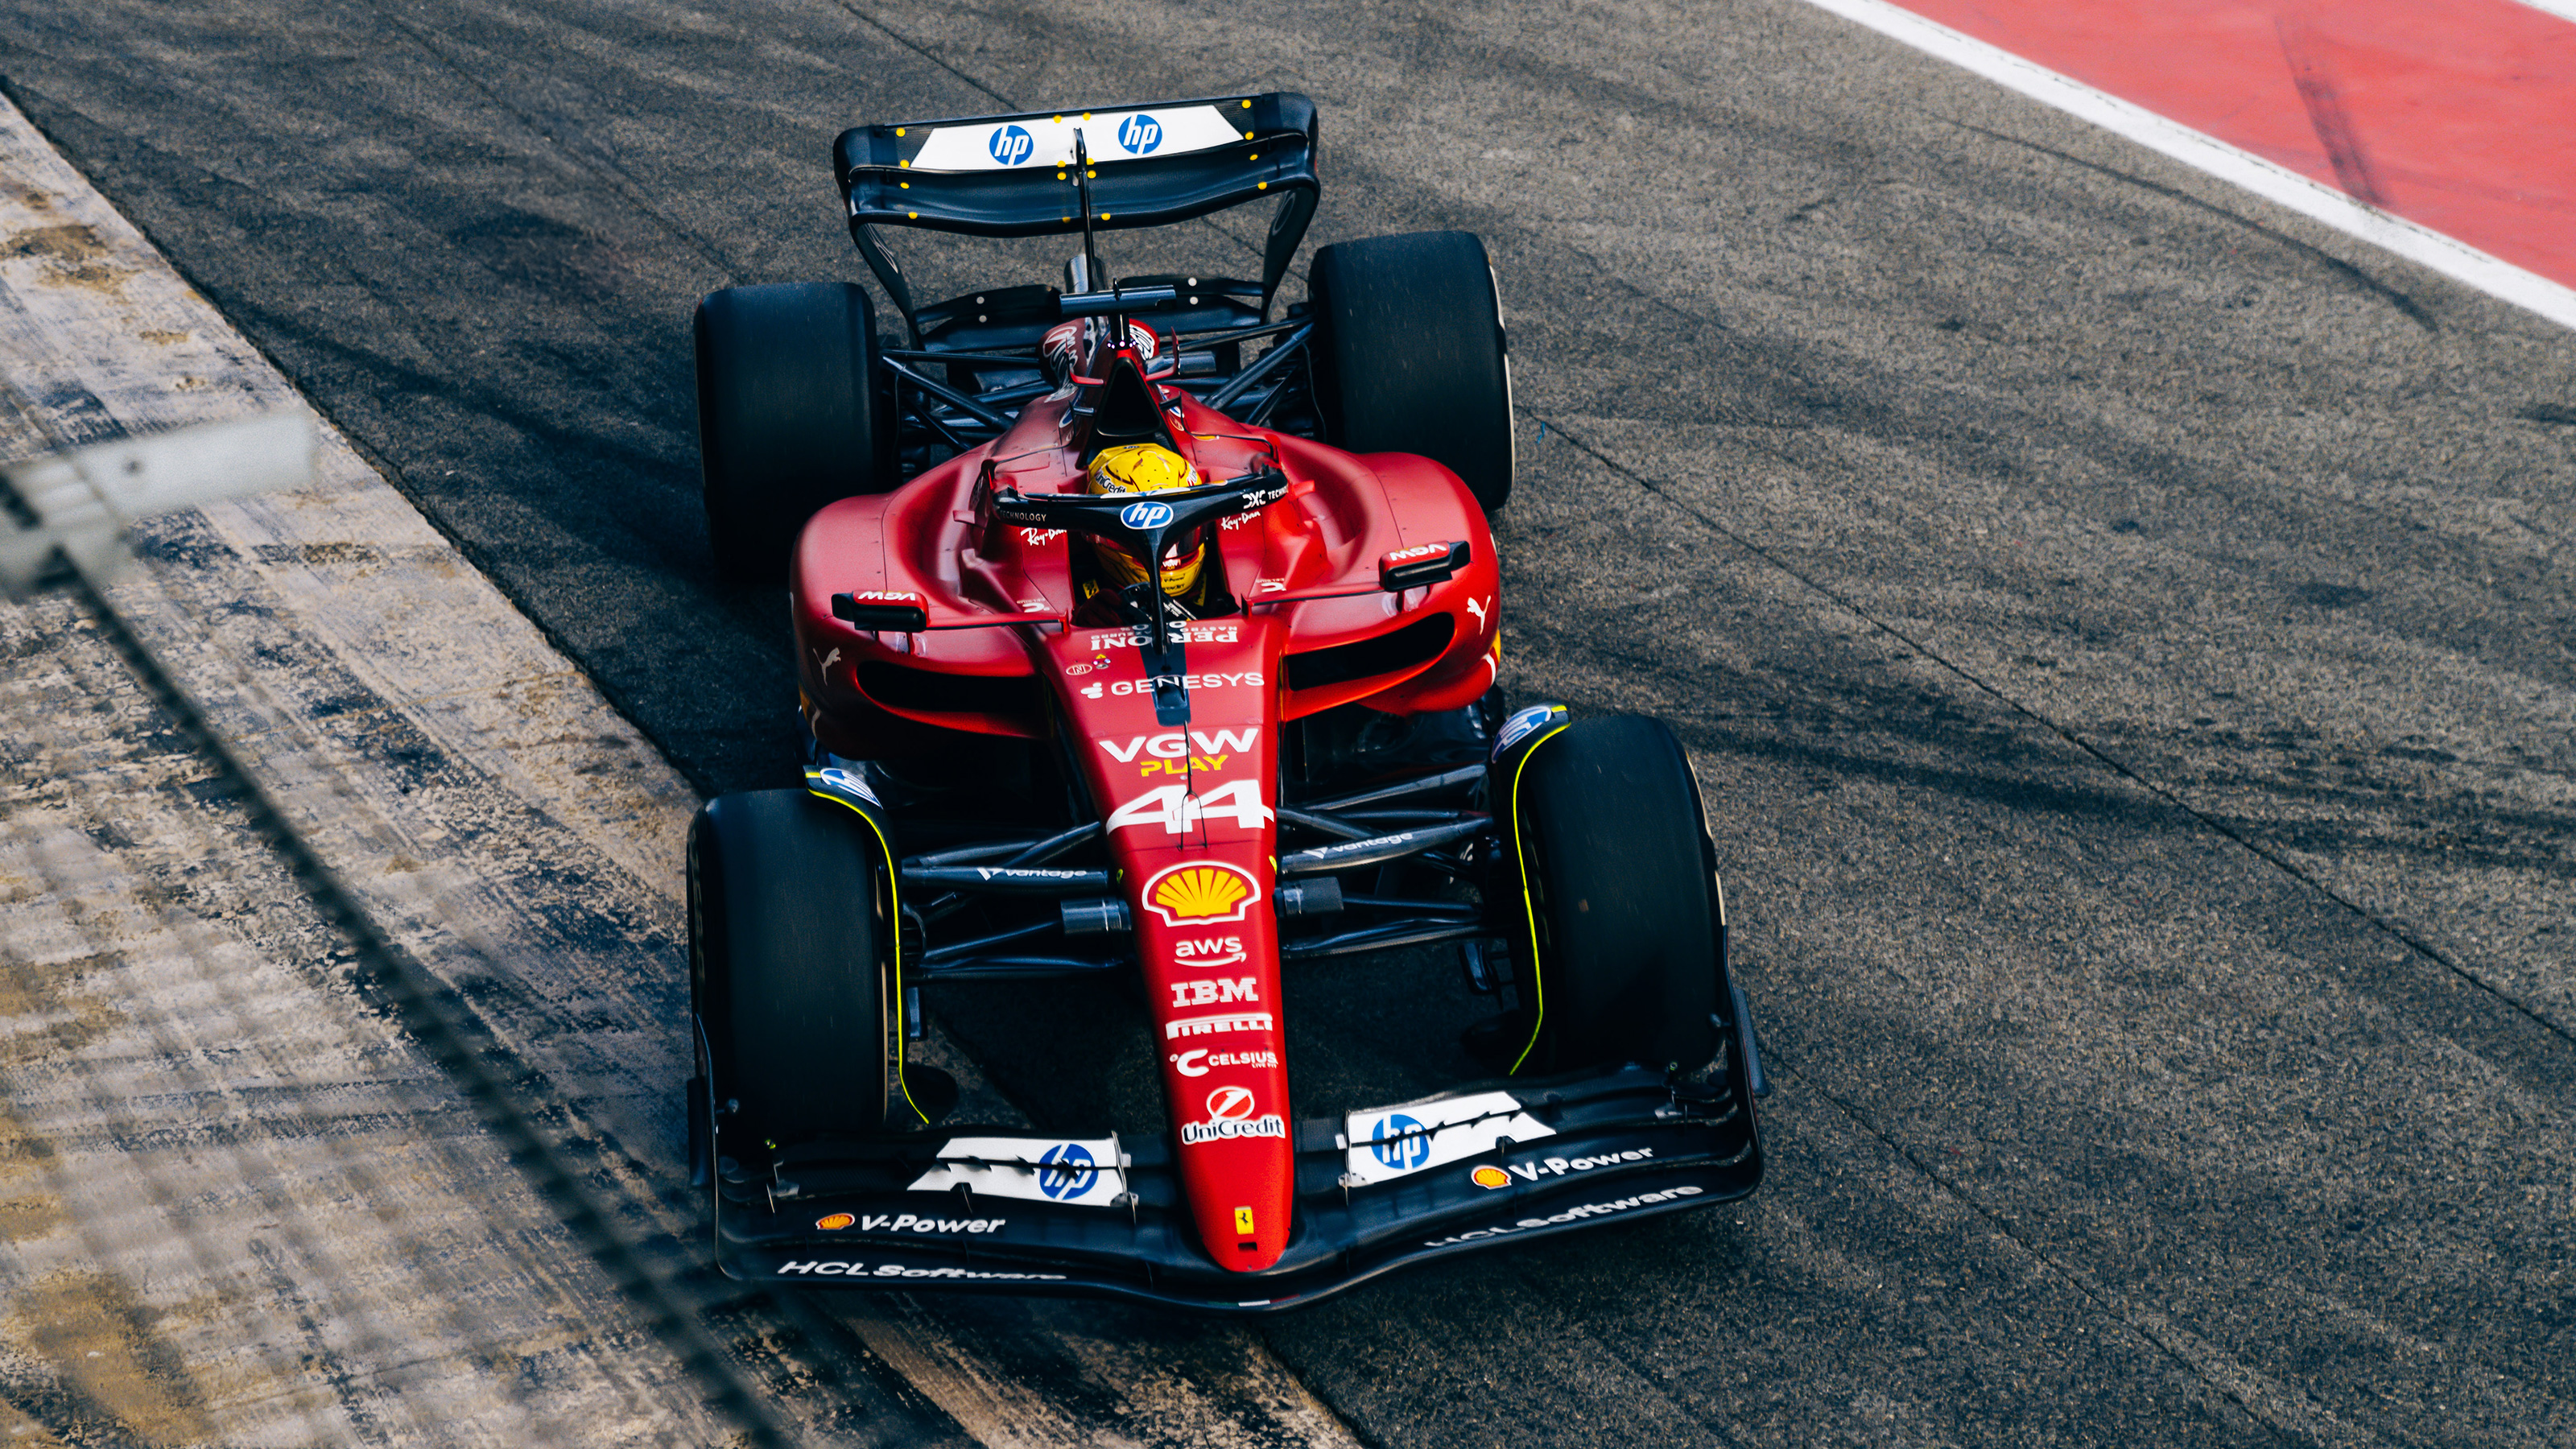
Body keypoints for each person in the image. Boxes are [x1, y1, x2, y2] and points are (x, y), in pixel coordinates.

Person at [1074, 443, 1232, 621]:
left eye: (1181, 535)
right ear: (1100, 537)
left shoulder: (1223, 590)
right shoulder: (1082, 602)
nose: (1166, 551)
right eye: (1146, 532)